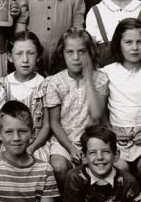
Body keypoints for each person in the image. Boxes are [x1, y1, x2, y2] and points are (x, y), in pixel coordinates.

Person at [45, 27, 108, 187]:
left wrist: (88, 77)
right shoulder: (56, 81)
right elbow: (54, 123)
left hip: (92, 139)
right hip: (64, 141)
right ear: (62, 54)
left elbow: (96, 114)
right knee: (59, 167)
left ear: (90, 53)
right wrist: (71, 148)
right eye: (70, 52)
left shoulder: (99, 78)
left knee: (90, 173)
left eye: (82, 52)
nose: (76, 57)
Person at [102, 19, 141, 187]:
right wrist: (111, 131)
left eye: (140, 42)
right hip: (117, 136)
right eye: (128, 42)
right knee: (120, 168)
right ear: (118, 44)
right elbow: (101, 111)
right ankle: (129, 201)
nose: (135, 48)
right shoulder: (108, 72)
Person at [0, 31, 49, 162]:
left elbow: (47, 125)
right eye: (19, 54)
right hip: (9, 143)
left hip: (36, 144)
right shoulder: (3, 85)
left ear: (38, 56)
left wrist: (31, 148)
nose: (25, 60)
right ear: (10, 57)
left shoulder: (45, 85)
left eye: (30, 53)